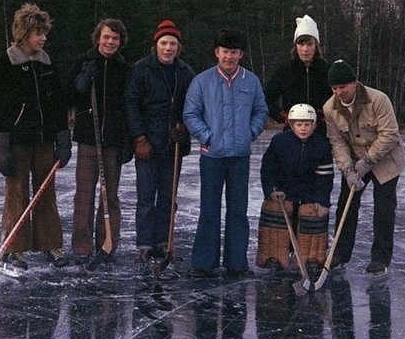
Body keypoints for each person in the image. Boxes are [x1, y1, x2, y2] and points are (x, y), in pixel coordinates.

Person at [0, 3, 71, 272]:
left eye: (44, 32)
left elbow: (58, 105)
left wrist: (63, 139)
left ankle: (51, 244)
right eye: (38, 32)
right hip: (17, 142)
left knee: (46, 194)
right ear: (23, 34)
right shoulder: (5, 64)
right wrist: (0, 148)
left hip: (45, 140)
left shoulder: (48, 64)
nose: (43, 38)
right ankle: (16, 249)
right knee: (17, 193)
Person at [183, 29, 269, 278]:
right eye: (224, 51)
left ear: (240, 54)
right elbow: (191, 114)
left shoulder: (250, 81)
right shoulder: (202, 81)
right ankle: (203, 263)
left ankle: (236, 263)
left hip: (239, 156)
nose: (229, 56)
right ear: (216, 53)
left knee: (238, 210)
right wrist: (207, 136)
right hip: (212, 156)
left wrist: (249, 133)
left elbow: (261, 111)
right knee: (209, 209)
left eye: (234, 52)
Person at [323, 59, 405, 275]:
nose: (339, 92)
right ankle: (340, 254)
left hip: (386, 160)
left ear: (354, 83)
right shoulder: (329, 108)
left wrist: (368, 161)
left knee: (383, 209)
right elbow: (337, 142)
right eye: (335, 88)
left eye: (343, 87)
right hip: (354, 160)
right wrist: (347, 170)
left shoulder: (378, 100)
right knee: (346, 206)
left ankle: (380, 259)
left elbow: (390, 134)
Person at [125, 20, 196, 270]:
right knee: (146, 197)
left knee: (168, 197)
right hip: (148, 143)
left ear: (179, 46)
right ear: (155, 45)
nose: (168, 48)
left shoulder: (185, 72)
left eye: (172, 44)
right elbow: (132, 105)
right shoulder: (141, 70)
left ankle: (163, 243)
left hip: (173, 145)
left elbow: (193, 105)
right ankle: (144, 245)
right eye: (163, 43)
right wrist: (139, 138)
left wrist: (184, 126)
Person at [64, 18, 132, 266]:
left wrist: (128, 141)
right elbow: (68, 96)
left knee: (110, 195)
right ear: (98, 38)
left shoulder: (124, 68)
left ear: (120, 41)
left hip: (113, 141)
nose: (110, 42)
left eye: (115, 38)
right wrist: (82, 81)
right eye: (106, 37)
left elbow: (128, 107)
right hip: (88, 140)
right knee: (84, 194)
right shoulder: (84, 62)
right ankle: (82, 247)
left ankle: (108, 245)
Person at [258, 103, 333, 272]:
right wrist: (271, 189)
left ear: (314, 125)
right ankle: (275, 256)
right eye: (299, 124)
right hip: (285, 192)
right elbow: (268, 169)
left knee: (311, 212)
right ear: (291, 125)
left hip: (309, 193)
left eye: (307, 124)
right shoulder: (279, 141)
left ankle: (311, 258)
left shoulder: (322, 145)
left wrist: (322, 200)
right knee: (275, 209)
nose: (303, 128)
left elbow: (325, 178)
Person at [264, 15, 331, 134]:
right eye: (301, 44)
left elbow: (339, 99)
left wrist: (328, 117)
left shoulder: (327, 70)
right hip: (292, 133)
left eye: (309, 44)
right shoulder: (285, 71)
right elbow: (266, 98)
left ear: (316, 46)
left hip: (322, 133)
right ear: (296, 46)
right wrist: (283, 117)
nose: (305, 49)